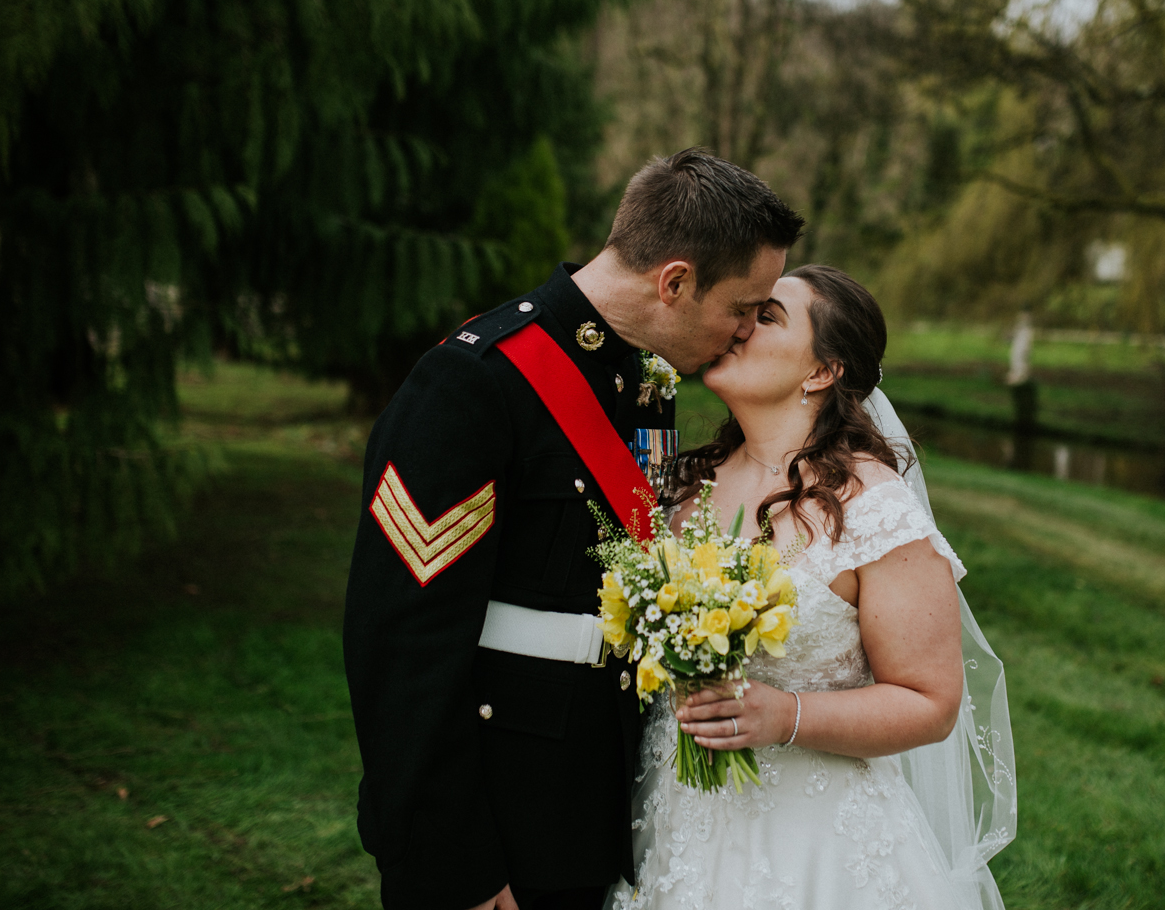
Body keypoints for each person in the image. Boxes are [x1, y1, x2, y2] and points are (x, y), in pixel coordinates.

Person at [343, 147, 804, 910]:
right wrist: (454, 857)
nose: (749, 330)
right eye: (743, 308)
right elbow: (401, 643)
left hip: (590, 803)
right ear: (676, 282)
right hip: (495, 820)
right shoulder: (475, 383)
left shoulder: (646, 380)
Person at [608, 265, 1016, 910]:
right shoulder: (683, 486)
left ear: (823, 372)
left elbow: (931, 701)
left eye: (766, 317)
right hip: (672, 820)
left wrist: (785, 715)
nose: (738, 326)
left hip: (814, 847)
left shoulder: (873, 510)